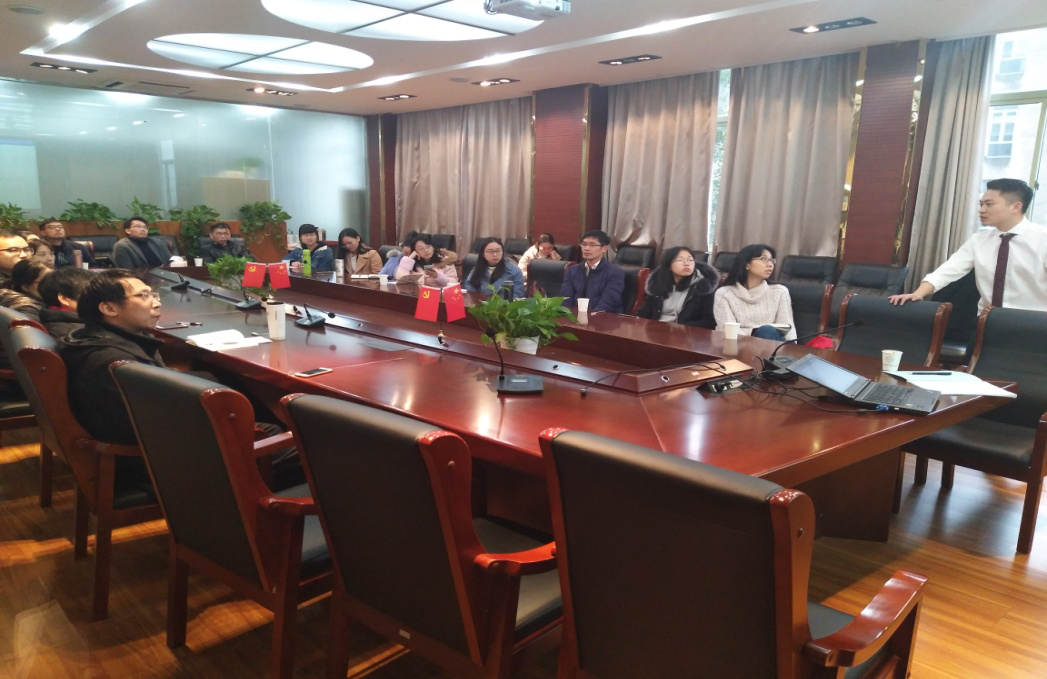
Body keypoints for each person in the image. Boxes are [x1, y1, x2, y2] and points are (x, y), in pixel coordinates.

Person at [889, 178, 1047, 313]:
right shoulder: (979, 240)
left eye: (989, 204)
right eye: (981, 204)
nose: (981, 210)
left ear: (1016, 207)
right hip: (987, 321)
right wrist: (918, 293)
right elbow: (948, 270)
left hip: (1034, 323)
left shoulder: (1042, 239)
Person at [713, 243, 796, 340]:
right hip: (737, 344)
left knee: (767, 331)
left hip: (772, 343)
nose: (770, 265)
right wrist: (753, 334)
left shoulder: (780, 291)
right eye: (764, 259)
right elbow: (727, 330)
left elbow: (788, 329)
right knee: (765, 331)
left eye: (772, 260)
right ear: (747, 264)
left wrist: (792, 348)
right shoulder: (724, 293)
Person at [637, 246, 719, 327]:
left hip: (686, 333)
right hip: (655, 329)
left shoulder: (704, 287)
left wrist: (680, 328)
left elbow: (710, 321)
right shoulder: (657, 283)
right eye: (680, 260)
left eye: (690, 260)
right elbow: (644, 312)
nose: (687, 264)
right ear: (668, 265)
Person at [561, 230, 625, 313]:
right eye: (584, 244)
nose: (586, 248)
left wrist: (591, 317)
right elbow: (566, 299)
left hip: (605, 318)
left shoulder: (615, 272)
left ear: (604, 248)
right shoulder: (572, 271)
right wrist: (568, 315)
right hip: (575, 317)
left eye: (592, 245)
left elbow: (609, 301)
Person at [38, 266, 94, 338]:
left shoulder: (52, 320)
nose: (98, 300)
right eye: (91, 295)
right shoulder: (75, 334)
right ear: (64, 299)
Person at [394, 233, 458, 287]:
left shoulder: (446, 261)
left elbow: (454, 282)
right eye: (421, 249)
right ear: (416, 252)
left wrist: (439, 277)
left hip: (440, 295)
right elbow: (401, 279)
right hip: (419, 295)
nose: (426, 251)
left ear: (433, 247)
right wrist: (410, 257)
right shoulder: (414, 264)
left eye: (428, 246)